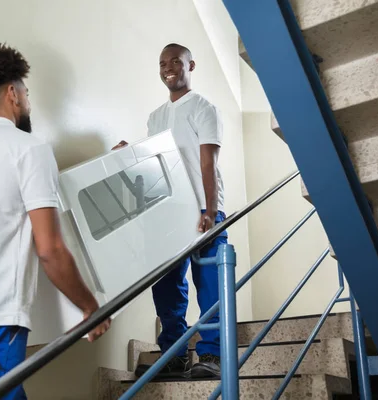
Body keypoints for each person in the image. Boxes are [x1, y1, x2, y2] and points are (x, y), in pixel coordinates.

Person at [0, 43, 111, 400]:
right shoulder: (28, 148)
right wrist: (90, 308)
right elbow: (50, 250)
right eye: (26, 92)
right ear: (13, 93)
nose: (28, 100)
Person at [113, 43, 226, 379]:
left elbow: (208, 161)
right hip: (168, 214)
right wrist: (129, 151)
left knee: (208, 284)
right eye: (163, 63)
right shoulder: (156, 117)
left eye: (176, 61)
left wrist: (212, 210)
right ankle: (174, 354)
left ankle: (213, 356)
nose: (168, 67)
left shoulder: (205, 108)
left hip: (205, 209)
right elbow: (157, 163)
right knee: (167, 287)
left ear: (191, 65)